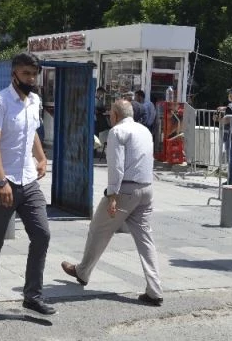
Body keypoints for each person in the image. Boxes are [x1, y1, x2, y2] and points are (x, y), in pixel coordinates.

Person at [61, 99, 163, 305]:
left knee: (98, 229)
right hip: (146, 188)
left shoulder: (117, 132)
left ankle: (83, 271)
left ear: (115, 115)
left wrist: (112, 195)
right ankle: (155, 289)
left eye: (110, 114)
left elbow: (116, 167)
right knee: (145, 240)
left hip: (125, 190)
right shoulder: (144, 130)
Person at [0, 52, 55, 319]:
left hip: (28, 180)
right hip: (3, 180)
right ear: (14, 74)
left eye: (34, 74)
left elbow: (32, 132)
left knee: (42, 235)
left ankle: (32, 296)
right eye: (26, 73)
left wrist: (41, 157)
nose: (31, 79)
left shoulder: (34, 101)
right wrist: (1, 181)